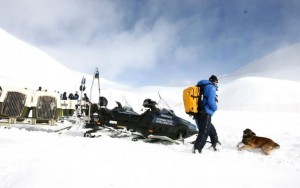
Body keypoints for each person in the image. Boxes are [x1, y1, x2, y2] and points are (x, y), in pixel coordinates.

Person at [193, 75, 220, 154]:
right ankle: (197, 149)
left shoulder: (200, 86)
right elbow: (211, 101)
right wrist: (215, 108)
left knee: (210, 128)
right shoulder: (211, 87)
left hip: (197, 111)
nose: (216, 83)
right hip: (205, 112)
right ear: (213, 81)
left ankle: (215, 143)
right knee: (204, 131)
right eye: (216, 82)